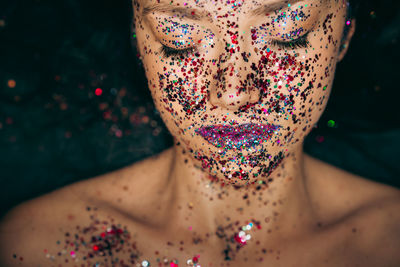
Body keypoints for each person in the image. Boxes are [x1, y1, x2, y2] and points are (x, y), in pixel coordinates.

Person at [1, 0, 399, 266]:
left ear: (344, 33)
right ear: (139, 42)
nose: (233, 91)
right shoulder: (39, 248)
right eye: (179, 36)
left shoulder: (390, 243)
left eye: (287, 29)